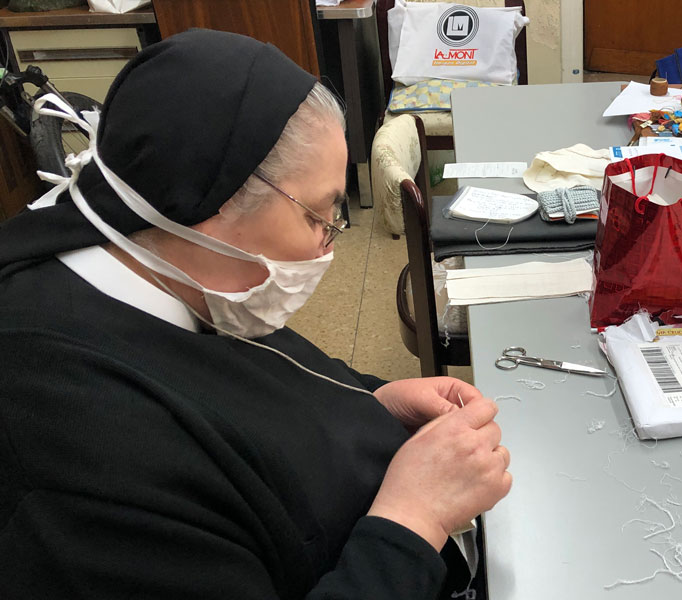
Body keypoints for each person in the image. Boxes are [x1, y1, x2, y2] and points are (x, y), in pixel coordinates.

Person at [0, 30, 510, 599]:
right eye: (318, 218)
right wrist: (414, 520)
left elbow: (257, 385)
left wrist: (372, 400)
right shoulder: (78, 461)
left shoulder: (170, 272)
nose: (327, 246)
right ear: (209, 202)